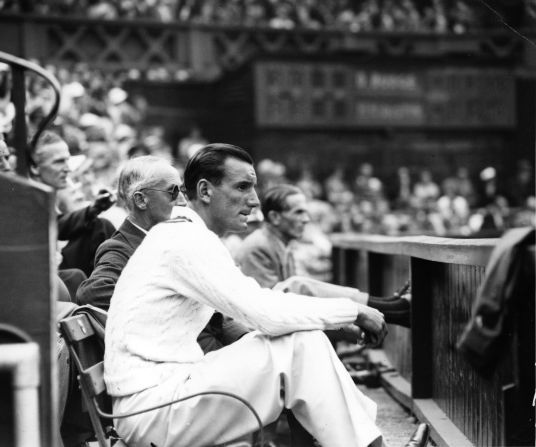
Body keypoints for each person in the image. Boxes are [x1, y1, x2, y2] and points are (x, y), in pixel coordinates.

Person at [105, 143, 427, 447]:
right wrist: (353, 310)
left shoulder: (185, 234)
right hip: (151, 410)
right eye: (243, 187)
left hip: (165, 394)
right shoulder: (184, 239)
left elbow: (259, 302)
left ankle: (367, 442)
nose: (256, 200)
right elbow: (264, 313)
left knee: (303, 341)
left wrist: (340, 316)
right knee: (301, 344)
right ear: (204, 191)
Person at [76, 155, 248, 352]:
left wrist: (245, 338)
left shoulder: (175, 238)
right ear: (141, 200)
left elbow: (217, 305)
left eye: (182, 190)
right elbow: (92, 293)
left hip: (214, 354)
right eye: (172, 192)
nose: (183, 201)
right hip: (186, 365)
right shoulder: (120, 248)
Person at [236, 184, 411, 327]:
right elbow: (271, 310)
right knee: (298, 286)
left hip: (273, 322)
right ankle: (391, 308)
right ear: (275, 217)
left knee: (299, 287)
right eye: (298, 212)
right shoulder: (258, 247)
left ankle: (390, 307)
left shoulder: (279, 243)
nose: (306, 219)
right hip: (257, 330)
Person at [30, 130, 115, 288]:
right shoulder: (26, 195)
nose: (67, 169)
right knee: (75, 276)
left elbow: (58, 224)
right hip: (37, 276)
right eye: (58, 162)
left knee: (100, 226)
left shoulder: (48, 194)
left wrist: (93, 209)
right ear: (35, 167)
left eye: (66, 161)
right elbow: (56, 226)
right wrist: (91, 210)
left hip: (55, 267)